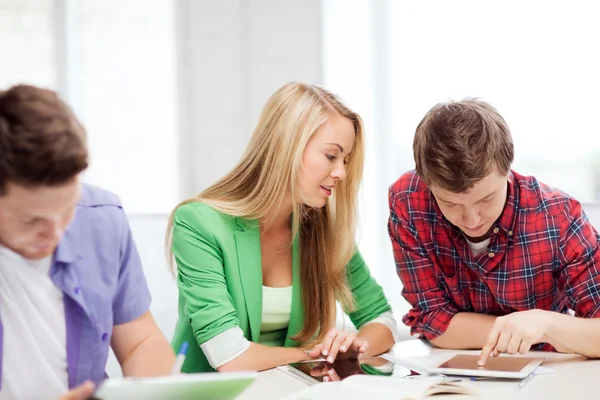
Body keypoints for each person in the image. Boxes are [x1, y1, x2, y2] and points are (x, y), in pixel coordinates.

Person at [167, 82, 398, 374]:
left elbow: (382, 318)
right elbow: (230, 357)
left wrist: (351, 346)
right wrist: (315, 354)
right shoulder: (198, 223)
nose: (340, 172)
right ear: (286, 147)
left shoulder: (324, 228)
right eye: (331, 156)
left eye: (346, 160)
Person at [388, 98, 600, 366]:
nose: (471, 220)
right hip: (449, 373)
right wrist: (515, 328)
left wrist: (544, 324)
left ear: (507, 170)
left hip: (547, 372)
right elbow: (433, 320)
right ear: (428, 184)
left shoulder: (558, 216)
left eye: (486, 199)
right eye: (450, 204)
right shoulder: (409, 200)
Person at [0, 85, 175, 400]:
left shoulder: (100, 220)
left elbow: (140, 341)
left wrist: (150, 392)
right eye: (33, 221)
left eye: (67, 210)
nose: (55, 235)